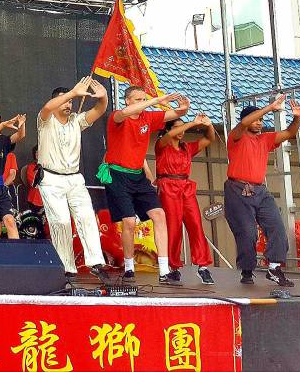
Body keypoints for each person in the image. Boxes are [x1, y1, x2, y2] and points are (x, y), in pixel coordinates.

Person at [98, 86, 189, 285]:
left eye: (143, 98)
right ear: (127, 101)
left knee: (159, 215)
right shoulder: (117, 117)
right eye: (137, 99)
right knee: (129, 221)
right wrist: (156, 101)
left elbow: (177, 113)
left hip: (138, 177)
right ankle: (129, 266)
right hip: (117, 175)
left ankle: (165, 270)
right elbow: (126, 113)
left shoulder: (148, 118)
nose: (141, 102)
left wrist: (183, 107)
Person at [36, 78, 112, 284]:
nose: (69, 104)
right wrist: (73, 93)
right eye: (65, 101)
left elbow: (99, 110)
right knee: (60, 222)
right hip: (51, 179)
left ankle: (96, 263)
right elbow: (46, 107)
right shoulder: (45, 120)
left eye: (70, 102)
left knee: (87, 216)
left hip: (75, 179)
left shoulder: (77, 121)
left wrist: (103, 97)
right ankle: (66, 268)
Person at [225, 94, 300, 287]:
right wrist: (268, 107)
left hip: (260, 191)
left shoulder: (265, 139)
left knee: (276, 226)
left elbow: (289, 133)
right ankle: (247, 269)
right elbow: (244, 122)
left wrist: (297, 117)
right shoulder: (237, 136)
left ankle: (274, 267)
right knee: (248, 232)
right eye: (257, 119)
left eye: (261, 120)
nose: (259, 123)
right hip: (237, 189)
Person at [155, 113, 217, 285]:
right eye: (176, 127)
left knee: (195, 224)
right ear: (168, 129)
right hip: (168, 186)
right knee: (173, 227)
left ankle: (202, 266)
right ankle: (173, 266)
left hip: (186, 186)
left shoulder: (187, 148)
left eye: (181, 128)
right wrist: (192, 123)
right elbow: (169, 136)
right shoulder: (162, 144)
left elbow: (209, 139)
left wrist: (209, 124)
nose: (180, 131)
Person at [25, 146, 43, 212]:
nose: (37, 154)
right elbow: (34, 184)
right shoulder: (31, 167)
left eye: (40, 152)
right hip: (35, 199)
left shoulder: (51, 168)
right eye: (36, 152)